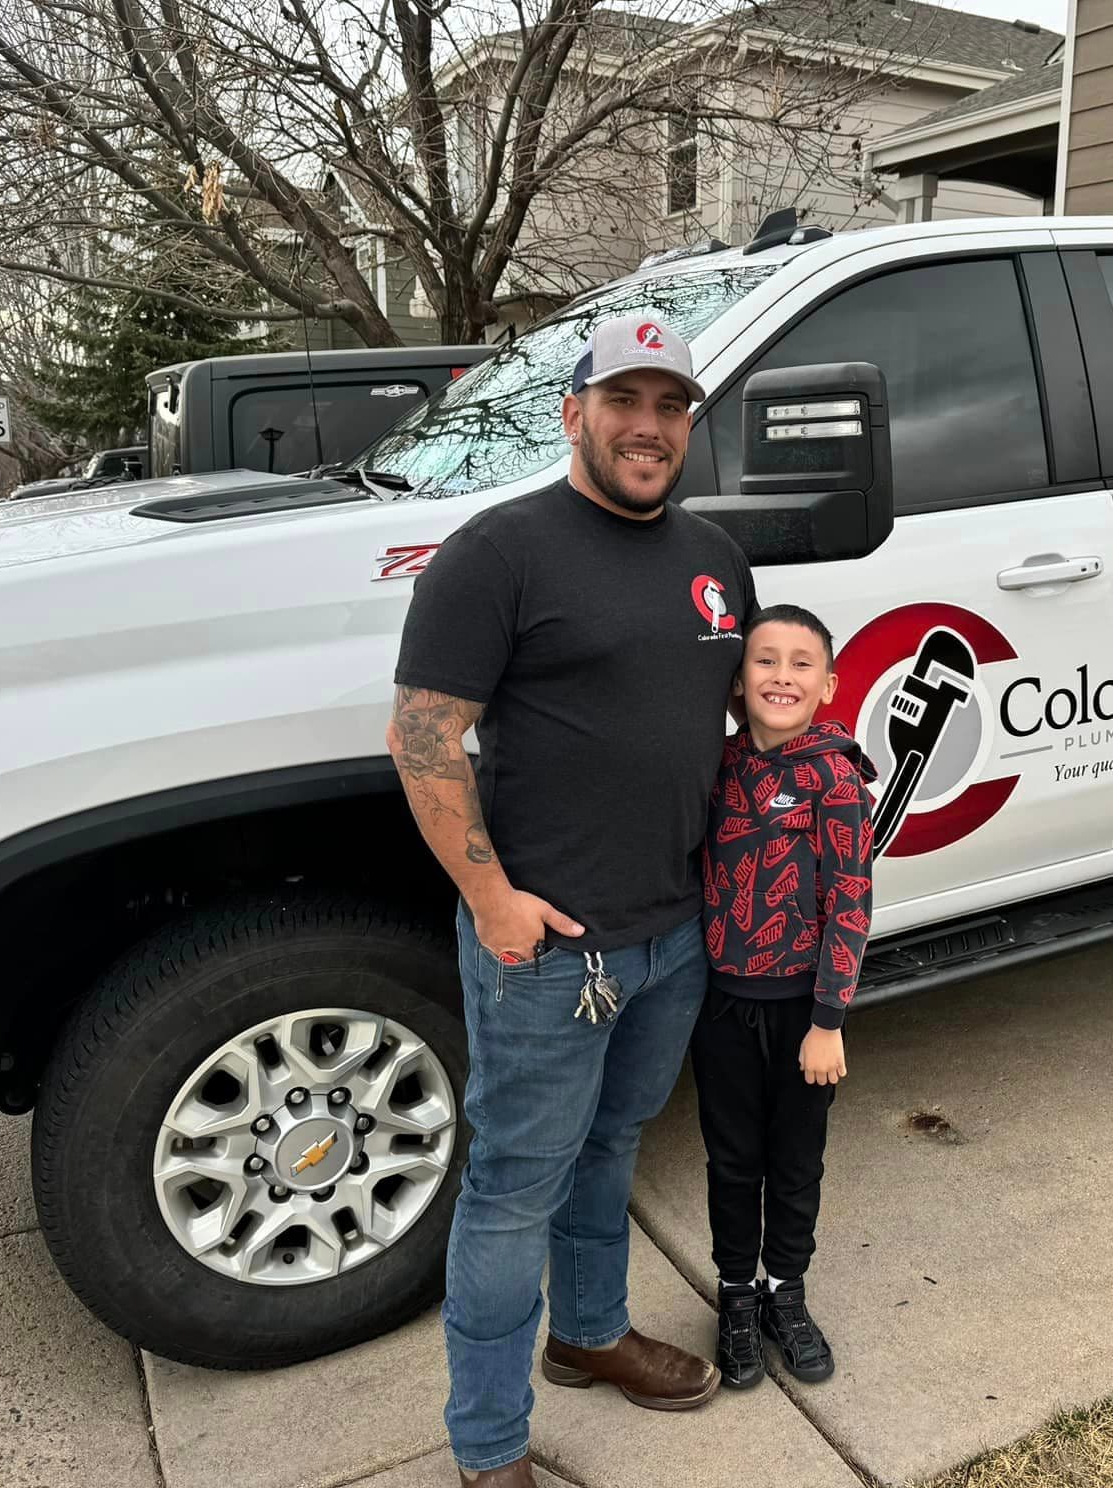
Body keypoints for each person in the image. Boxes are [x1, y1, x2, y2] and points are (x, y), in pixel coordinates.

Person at [388, 314, 756, 1488]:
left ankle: (588, 1336)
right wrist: (491, 899)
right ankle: (487, 1446)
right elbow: (422, 735)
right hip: (545, 949)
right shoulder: (499, 554)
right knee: (510, 1190)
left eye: (670, 407)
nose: (648, 428)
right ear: (574, 414)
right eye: (624, 402)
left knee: (611, 1146)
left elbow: (724, 729)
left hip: (673, 935)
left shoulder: (715, 559)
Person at [692, 604, 877, 1390]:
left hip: (803, 1013)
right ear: (739, 682)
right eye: (765, 661)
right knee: (733, 1162)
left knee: (794, 1163)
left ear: (829, 685)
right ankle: (736, 1296)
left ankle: (785, 1294)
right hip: (722, 1009)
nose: (782, 676)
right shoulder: (716, 765)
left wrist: (829, 1020)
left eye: (802, 664)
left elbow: (851, 900)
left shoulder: (834, 776)